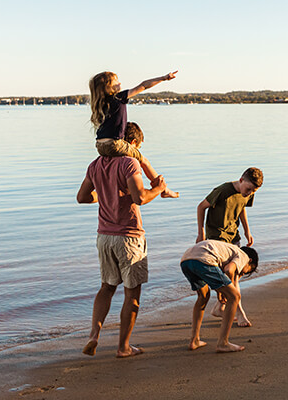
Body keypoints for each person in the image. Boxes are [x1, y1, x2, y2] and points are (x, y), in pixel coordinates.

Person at [77, 144, 167, 358]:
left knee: (106, 288)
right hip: (128, 237)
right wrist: (159, 189)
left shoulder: (96, 164)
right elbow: (140, 198)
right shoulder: (129, 162)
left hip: (104, 237)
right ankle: (124, 347)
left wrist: (107, 196)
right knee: (132, 293)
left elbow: (82, 197)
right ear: (132, 144)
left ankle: (94, 335)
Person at [89, 70, 179, 198]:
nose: (120, 82)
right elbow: (143, 85)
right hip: (114, 144)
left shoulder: (101, 103)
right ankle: (163, 190)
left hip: (100, 146)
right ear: (108, 88)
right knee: (144, 161)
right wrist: (163, 78)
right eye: (116, 81)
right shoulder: (119, 97)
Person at [196, 167, 263, 327]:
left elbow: (241, 210)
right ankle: (240, 315)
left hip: (234, 238)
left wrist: (247, 231)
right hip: (217, 240)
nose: (249, 193)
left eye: (253, 191)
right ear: (241, 180)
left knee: (235, 277)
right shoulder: (222, 191)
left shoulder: (248, 193)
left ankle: (220, 308)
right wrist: (201, 233)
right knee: (230, 280)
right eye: (248, 189)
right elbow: (201, 207)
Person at [180, 240, 259, 353]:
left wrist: (221, 291)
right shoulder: (243, 256)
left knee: (203, 297)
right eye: (246, 271)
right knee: (235, 296)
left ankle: (194, 340)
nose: (241, 273)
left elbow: (222, 273)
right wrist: (228, 290)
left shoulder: (228, 250)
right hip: (204, 259)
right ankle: (223, 343)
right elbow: (229, 269)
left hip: (186, 260)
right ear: (250, 261)